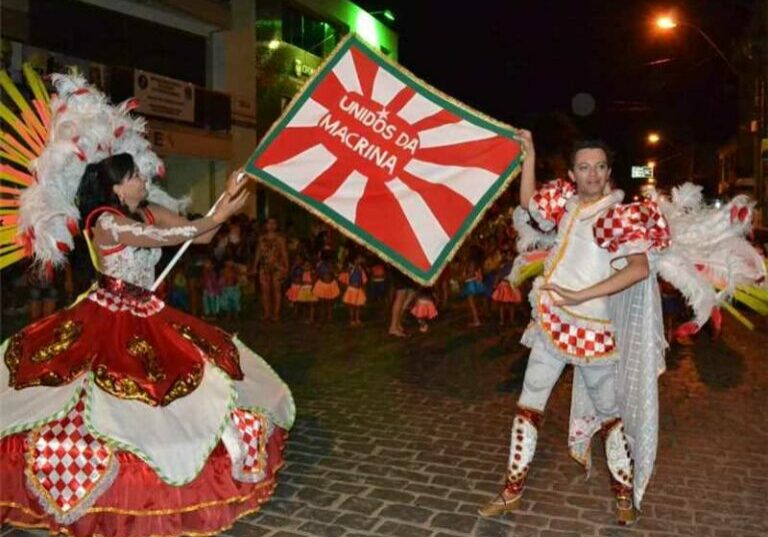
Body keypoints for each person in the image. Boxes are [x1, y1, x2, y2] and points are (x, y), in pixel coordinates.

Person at [0, 148, 294, 534]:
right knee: (107, 394)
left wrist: (227, 198)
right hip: (109, 315)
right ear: (118, 188)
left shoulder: (148, 209)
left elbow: (200, 233)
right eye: (135, 175)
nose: (143, 180)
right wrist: (218, 215)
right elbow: (161, 238)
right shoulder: (105, 221)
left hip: (148, 310)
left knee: (178, 384)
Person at [479, 131, 671, 525]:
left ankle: (622, 492)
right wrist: (528, 155)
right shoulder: (565, 203)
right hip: (552, 320)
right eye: (584, 168)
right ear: (572, 172)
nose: (593, 174)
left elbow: (639, 268)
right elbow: (528, 204)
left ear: (608, 171)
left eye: (599, 167)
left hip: (593, 329)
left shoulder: (620, 214)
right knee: (529, 402)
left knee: (609, 414)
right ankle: (511, 489)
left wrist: (584, 295)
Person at [252, 217, 288, 322]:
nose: (271, 225)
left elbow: (284, 253)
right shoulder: (261, 238)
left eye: (273, 223)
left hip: (277, 266)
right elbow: (258, 253)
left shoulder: (280, 239)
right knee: (265, 290)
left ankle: (276, 313)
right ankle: (267, 313)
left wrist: (286, 267)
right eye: (269, 223)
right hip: (264, 267)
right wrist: (255, 266)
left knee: (277, 290)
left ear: (276, 225)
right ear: (265, 225)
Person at [342, 253, 367, 326]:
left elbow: (363, 279)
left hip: (358, 289)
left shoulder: (360, 269)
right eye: (359, 258)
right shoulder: (351, 268)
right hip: (352, 289)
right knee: (352, 306)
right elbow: (346, 277)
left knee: (358, 306)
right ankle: (351, 320)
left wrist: (363, 288)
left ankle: (357, 319)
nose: (361, 260)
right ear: (355, 260)